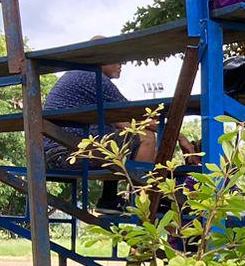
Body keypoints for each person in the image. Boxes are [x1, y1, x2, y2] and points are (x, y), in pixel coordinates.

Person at [42, 59, 197, 211]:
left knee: (120, 137)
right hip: (64, 153)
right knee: (146, 137)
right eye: (115, 59)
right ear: (99, 59)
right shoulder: (93, 78)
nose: (121, 65)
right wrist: (180, 137)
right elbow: (134, 116)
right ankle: (143, 201)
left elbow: (122, 122)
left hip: (52, 153)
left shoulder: (78, 76)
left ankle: (109, 199)